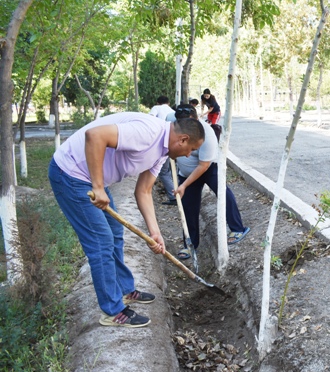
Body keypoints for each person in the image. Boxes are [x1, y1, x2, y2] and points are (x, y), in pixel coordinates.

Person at [48, 112, 204, 327]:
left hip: (90, 179)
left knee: (114, 231)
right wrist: (98, 187)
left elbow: (144, 191)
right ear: (183, 139)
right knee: (101, 242)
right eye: (191, 150)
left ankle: (124, 290)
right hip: (71, 175)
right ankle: (113, 311)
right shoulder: (149, 132)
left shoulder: (162, 152)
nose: (189, 155)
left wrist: (154, 232)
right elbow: (95, 135)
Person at [166, 104, 250, 260]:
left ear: (195, 120)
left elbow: (203, 165)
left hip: (208, 168)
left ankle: (237, 228)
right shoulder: (172, 123)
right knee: (188, 208)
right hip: (185, 172)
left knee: (223, 194)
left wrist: (183, 185)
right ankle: (190, 245)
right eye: (180, 122)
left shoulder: (207, 134)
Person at [149, 96, 179, 206]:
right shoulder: (172, 111)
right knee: (172, 171)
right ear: (168, 102)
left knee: (164, 172)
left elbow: (150, 120)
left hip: (162, 143)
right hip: (175, 144)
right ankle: (177, 194)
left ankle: (174, 197)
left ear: (158, 102)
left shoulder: (156, 108)